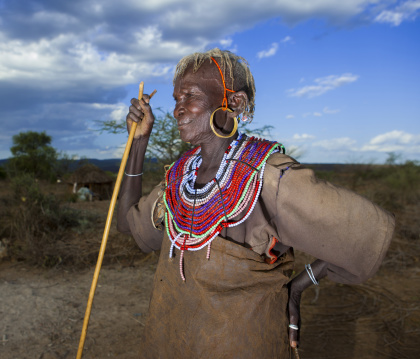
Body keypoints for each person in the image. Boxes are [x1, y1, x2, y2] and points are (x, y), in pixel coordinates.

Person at [117, 48, 394, 358]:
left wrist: (299, 285)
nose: (177, 110)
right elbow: (128, 224)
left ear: (234, 102)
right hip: (170, 341)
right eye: (176, 100)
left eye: (190, 97)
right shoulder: (178, 179)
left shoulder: (269, 175)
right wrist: (138, 142)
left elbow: (365, 234)